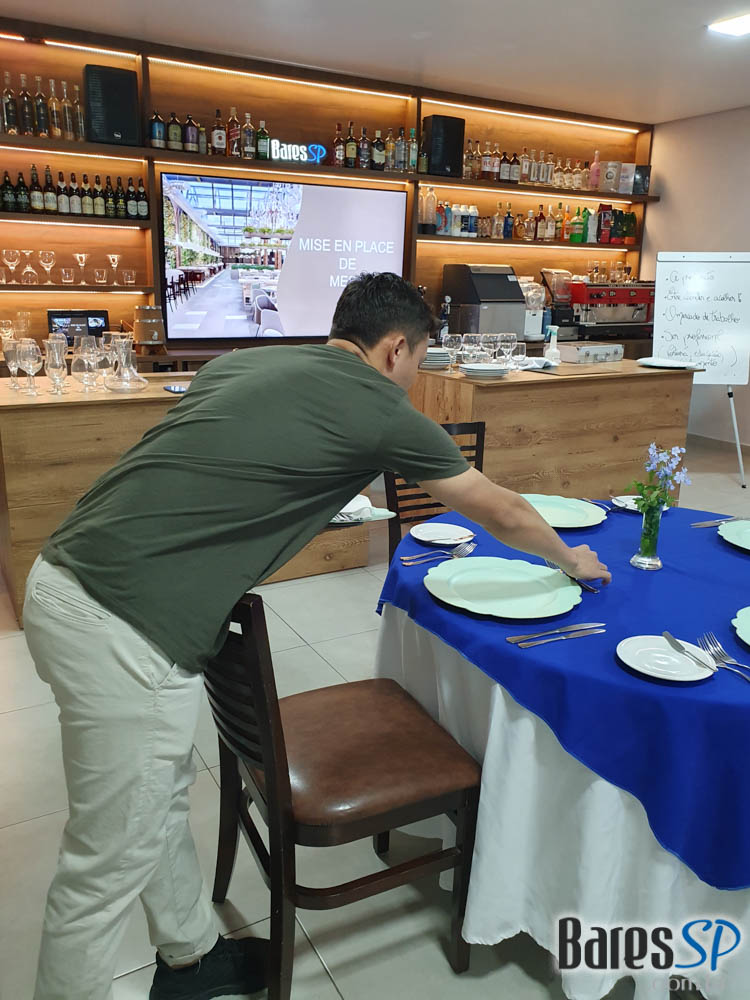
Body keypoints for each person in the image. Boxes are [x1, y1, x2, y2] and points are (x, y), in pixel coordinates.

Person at [23, 272, 610, 1000]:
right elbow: (501, 509)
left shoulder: (248, 363)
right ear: (395, 349)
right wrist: (572, 560)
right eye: (419, 359)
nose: (414, 376)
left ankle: (190, 957)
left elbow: (207, 465)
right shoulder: (380, 407)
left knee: (156, 799)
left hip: (62, 577)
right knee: (106, 860)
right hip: (124, 623)